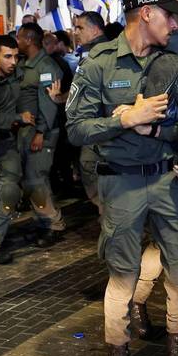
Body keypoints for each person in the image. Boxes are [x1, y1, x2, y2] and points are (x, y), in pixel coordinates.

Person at [66, 0, 178, 356]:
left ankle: (177, 353)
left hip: (167, 179)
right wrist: (124, 120)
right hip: (120, 183)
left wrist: (155, 129)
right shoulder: (98, 63)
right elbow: (76, 129)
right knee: (123, 272)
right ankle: (119, 352)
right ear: (146, 14)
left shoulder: (173, 64)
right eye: (169, 15)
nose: (175, 23)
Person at [0, 35, 33, 264]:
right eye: (8, 57)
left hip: (4, 142)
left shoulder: (17, 75)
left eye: (16, 57)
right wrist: (17, 117)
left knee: (11, 191)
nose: (13, 62)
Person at [16, 23, 66, 246]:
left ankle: (54, 224)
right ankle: (43, 222)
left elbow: (49, 104)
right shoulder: (26, 64)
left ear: (28, 39)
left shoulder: (46, 67)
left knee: (37, 180)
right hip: (27, 132)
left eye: (19, 38)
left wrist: (40, 132)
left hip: (40, 133)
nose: (17, 42)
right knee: (31, 180)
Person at [73, 13, 109, 210]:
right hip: (94, 122)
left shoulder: (101, 52)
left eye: (80, 28)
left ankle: (107, 213)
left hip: (99, 122)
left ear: (95, 30)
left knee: (91, 166)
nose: (76, 32)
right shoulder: (89, 51)